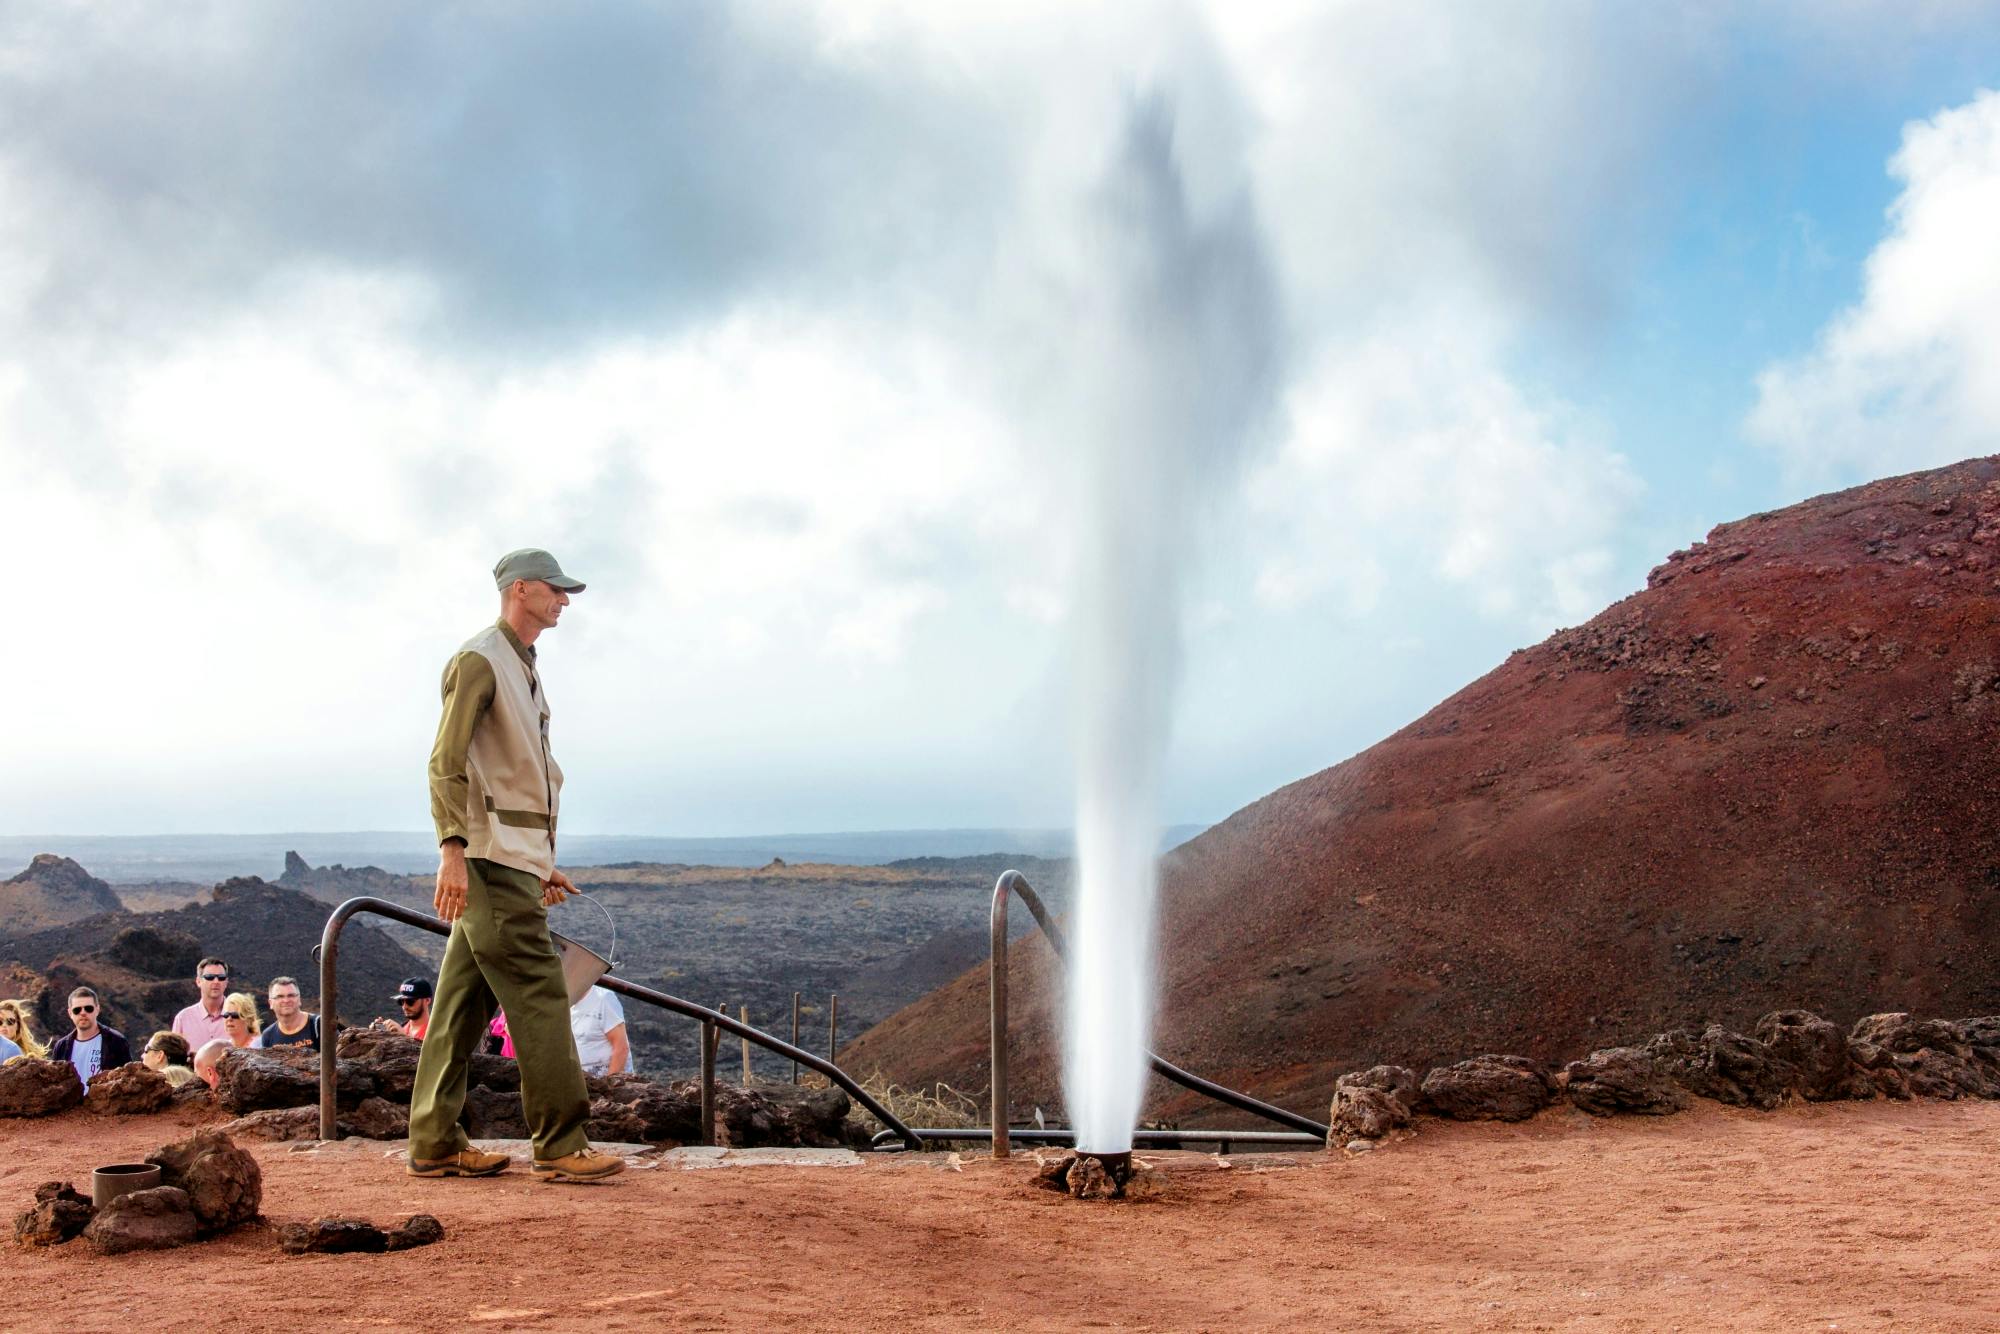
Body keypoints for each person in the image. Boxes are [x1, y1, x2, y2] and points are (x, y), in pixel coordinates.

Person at [406, 548, 622, 1183]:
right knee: (541, 994)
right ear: (519, 589)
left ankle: (434, 1139)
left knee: (458, 1006)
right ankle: (560, 1142)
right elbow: (444, 763)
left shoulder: (522, 663)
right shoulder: (480, 659)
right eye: (555, 589)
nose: (564, 600)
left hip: (508, 861)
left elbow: (512, 778)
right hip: (488, 863)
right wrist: (451, 850)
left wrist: (540, 864)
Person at [47, 987, 133, 1092]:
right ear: (70, 1013)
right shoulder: (61, 1047)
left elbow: (128, 1080)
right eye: (77, 1010)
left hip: (104, 1101)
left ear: (97, 1009)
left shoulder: (116, 1041)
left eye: (88, 1008)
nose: (83, 1013)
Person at [171, 956, 232, 1051]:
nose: (216, 981)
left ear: (226, 982)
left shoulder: (239, 1016)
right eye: (210, 977)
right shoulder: (183, 1019)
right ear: (198, 981)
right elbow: (173, 1054)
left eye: (221, 977)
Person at [569, 985, 630, 1077]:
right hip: (580, 1079)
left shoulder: (604, 999)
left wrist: (610, 1083)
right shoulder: (565, 1002)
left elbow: (621, 1047)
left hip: (605, 1080)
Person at [258, 976, 320, 1050]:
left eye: (291, 995)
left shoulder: (319, 1025)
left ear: (299, 999)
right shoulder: (268, 1035)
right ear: (270, 1003)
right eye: (280, 996)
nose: (286, 1000)